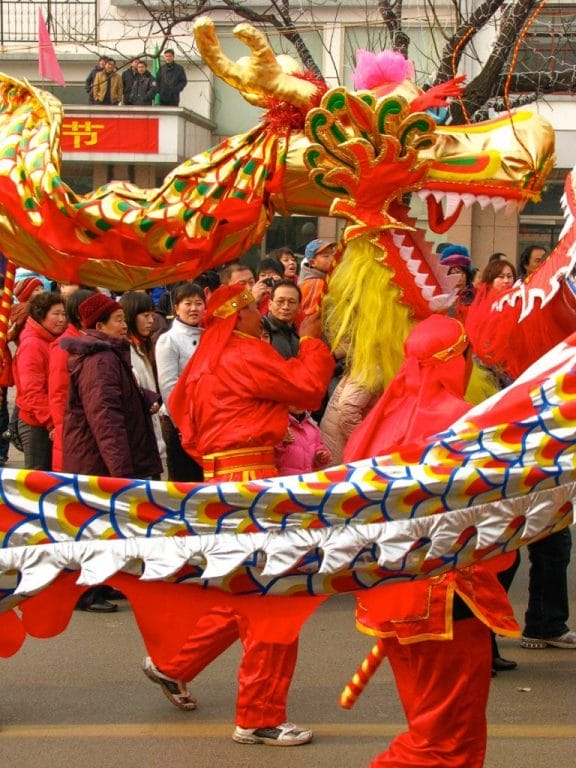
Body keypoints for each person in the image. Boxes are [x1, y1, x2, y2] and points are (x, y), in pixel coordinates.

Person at [142, 283, 334, 747]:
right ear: (236, 318)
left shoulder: (206, 358)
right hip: (252, 483)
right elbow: (307, 389)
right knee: (275, 600)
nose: (259, 313)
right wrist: (311, 341)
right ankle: (259, 715)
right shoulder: (243, 352)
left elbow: (185, 425)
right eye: (251, 308)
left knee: (245, 593)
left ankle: (175, 662)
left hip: (224, 479)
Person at [344, 314, 519, 768]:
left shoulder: (377, 424)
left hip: (391, 597)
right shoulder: (461, 425)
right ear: (452, 361)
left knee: (429, 726)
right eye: (466, 356)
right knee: (444, 744)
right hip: (447, 597)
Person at [60, 292, 162, 480]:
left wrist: (145, 398)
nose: (124, 326)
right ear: (100, 326)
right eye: (118, 320)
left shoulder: (111, 354)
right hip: (101, 470)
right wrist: (122, 477)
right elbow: (106, 422)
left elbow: (119, 394)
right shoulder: (100, 362)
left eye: (124, 320)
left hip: (115, 465)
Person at [155, 281, 205, 482]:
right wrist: (182, 424)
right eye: (187, 303)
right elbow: (168, 386)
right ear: (176, 308)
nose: (194, 308)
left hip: (205, 419)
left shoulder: (207, 336)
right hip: (180, 422)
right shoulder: (168, 339)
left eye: (199, 303)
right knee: (185, 481)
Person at [13, 292, 67, 470]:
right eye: (56, 314)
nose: (61, 319)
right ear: (41, 315)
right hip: (36, 423)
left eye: (64, 314)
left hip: (50, 421)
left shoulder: (52, 340)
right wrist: (52, 422)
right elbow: (32, 392)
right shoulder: (32, 345)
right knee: (38, 482)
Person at [119, 291, 165, 474]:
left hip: (151, 435)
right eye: (145, 315)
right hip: (140, 439)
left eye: (152, 315)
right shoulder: (126, 350)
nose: (151, 321)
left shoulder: (142, 346)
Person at [262, 279, 301, 359]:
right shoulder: (260, 331)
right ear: (270, 304)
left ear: (299, 307)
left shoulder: (298, 336)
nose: (285, 307)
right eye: (280, 301)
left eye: (291, 302)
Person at [298, 239, 336, 318]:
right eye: (326, 256)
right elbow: (310, 315)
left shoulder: (321, 279)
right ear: (312, 263)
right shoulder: (316, 283)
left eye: (333, 253)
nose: (332, 258)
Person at [439, 243, 476, 322]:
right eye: (454, 274)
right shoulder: (440, 297)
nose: (458, 278)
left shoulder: (476, 295)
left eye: (460, 273)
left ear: (467, 274)